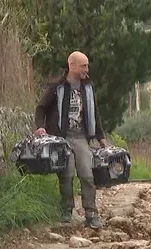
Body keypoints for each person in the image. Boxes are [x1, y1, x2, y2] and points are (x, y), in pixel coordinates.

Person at [34, 51, 107, 229]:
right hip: (62, 138)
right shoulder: (57, 87)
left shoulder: (88, 88)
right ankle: (66, 210)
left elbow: (94, 114)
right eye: (83, 66)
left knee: (87, 175)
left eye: (87, 65)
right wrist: (40, 127)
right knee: (66, 175)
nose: (86, 69)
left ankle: (91, 212)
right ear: (71, 65)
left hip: (82, 137)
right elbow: (41, 108)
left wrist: (101, 137)